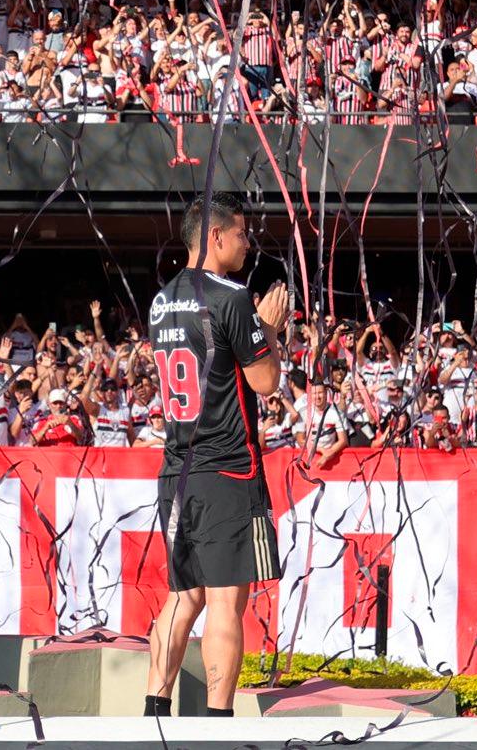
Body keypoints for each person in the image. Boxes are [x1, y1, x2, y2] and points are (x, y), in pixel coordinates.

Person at [146, 191, 287, 719]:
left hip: (176, 470)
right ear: (216, 236)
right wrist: (269, 327)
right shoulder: (231, 297)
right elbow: (266, 382)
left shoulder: (162, 299)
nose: (249, 244)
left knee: (184, 597)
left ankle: (154, 713)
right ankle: (217, 724)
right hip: (227, 468)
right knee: (227, 602)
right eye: (243, 234)